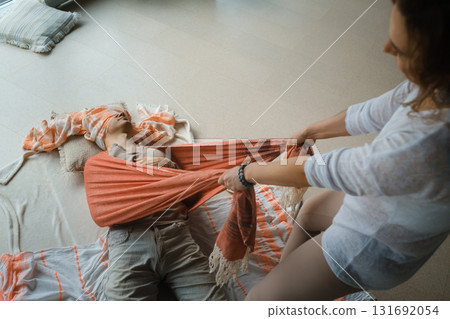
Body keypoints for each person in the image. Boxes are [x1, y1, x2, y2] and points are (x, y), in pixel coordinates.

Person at [218, 0, 450, 300]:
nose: (385, 48)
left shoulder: (429, 143)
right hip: (387, 201)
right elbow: (376, 110)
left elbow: (327, 170)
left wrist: (246, 173)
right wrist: (310, 131)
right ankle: (286, 285)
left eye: (402, 49)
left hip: (373, 246)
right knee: (310, 212)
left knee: (257, 303)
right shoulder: (432, 87)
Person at [102, 113, 227, 301]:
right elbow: (102, 210)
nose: (121, 114)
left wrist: (169, 168)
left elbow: (190, 195)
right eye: (112, 114)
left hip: (177, 237)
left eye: (123, 112)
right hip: (130, 241)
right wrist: (145, 173)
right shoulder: (98, 163)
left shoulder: (159, 153)